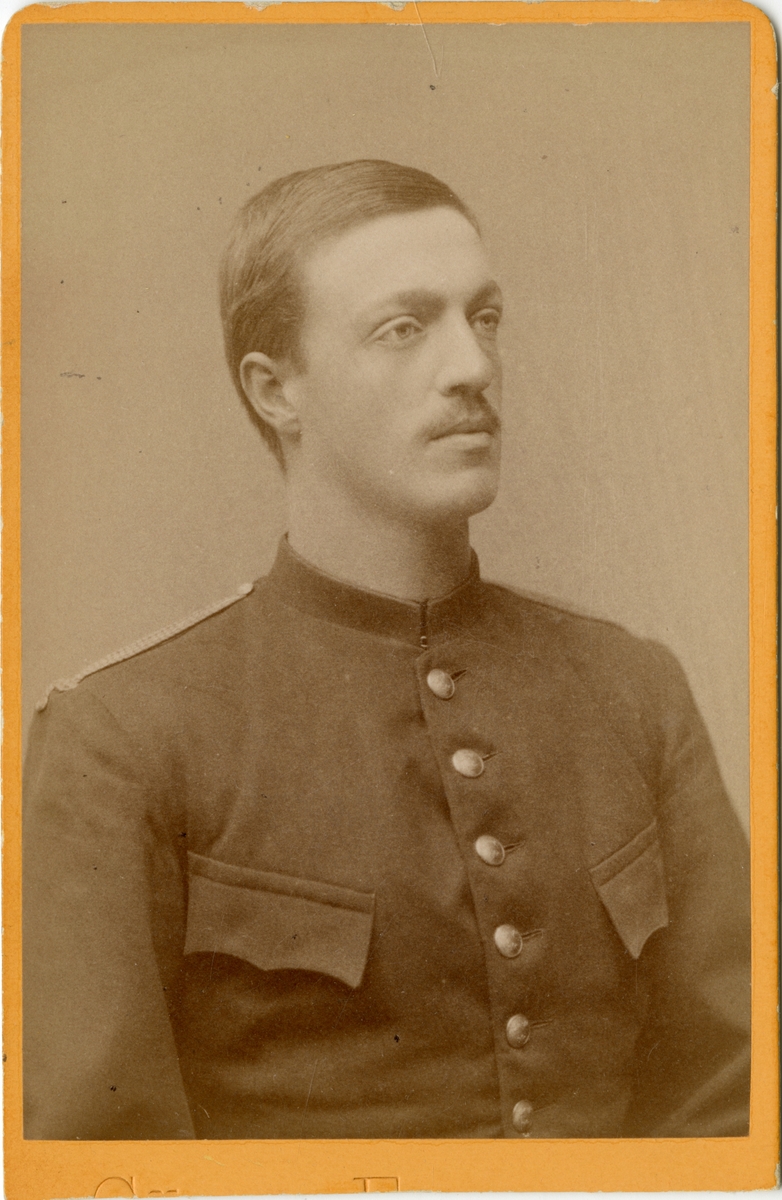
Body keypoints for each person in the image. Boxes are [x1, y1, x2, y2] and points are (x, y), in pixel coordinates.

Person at [23, 160, 750, 1141]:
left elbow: (732, 1100)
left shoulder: (631, 689)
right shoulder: (124, 735)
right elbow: (104, 1160)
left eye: (483, 318)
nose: (471, 366)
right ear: (275, 390)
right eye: (403, 328)